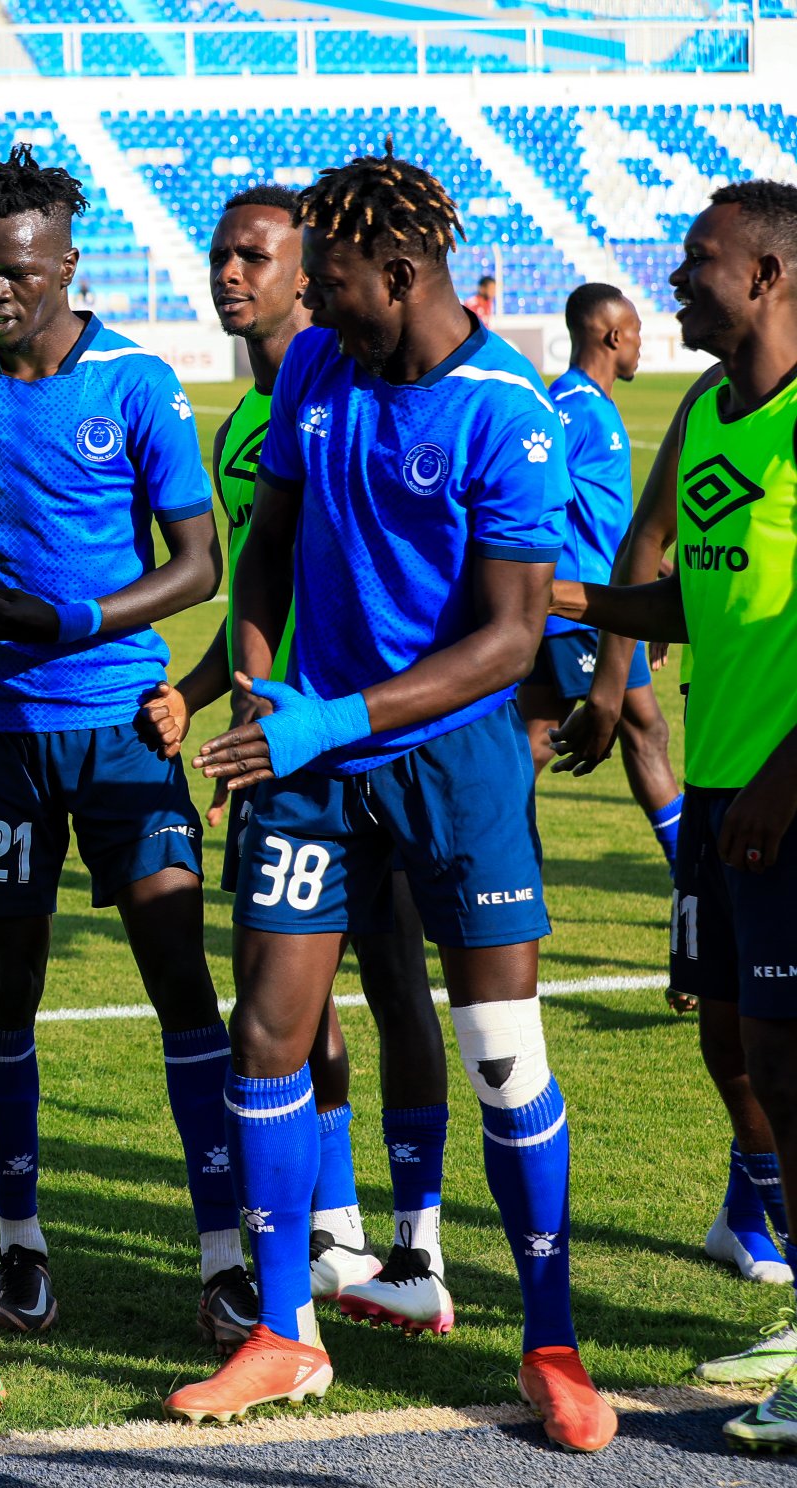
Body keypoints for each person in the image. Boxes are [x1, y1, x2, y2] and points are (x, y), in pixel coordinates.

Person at [167, 149, 616, 1453]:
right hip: (310, 762)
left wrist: (331, 718)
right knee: (269, 1034)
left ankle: (550, 1341)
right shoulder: (316, 370)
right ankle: (286, 1335)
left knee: (502, 1053)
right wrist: (261, 693)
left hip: (455, 761)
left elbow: (512, 636)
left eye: (337, 282)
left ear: (403, 274)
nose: (318, 305)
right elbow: (267, 548)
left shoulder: (506, 411)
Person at [0, 144, 238, 1344]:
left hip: (124, 726)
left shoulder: (136, 383)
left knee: (179, 973)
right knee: (8, 987)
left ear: (69, 266)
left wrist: (69, 620)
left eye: (19, 271)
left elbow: (200, 564)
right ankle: (21, 1246)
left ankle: (224, 1251)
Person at [139, 186, 451, 1336]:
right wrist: (216, 693)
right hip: (287, 749)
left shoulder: (365, 385)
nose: (236, 275)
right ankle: (333, 1226)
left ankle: (414, 1248)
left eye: (257, 257)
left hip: (383, 742)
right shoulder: (245, 430)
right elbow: (262, 576)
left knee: (399, 985)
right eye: (223, 253)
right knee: (291, 1009)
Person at [552, 179, 797, 1451]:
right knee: (736, 1045)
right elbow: (684, 596)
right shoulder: (705, 407)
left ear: (765, 275)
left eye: (697, 261)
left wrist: (782, 782)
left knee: (792, 1058)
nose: (673, 281)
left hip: (784, 794)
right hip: (720, 789)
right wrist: (580, 610)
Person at [517, 285, 682, 871]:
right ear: (613, 336)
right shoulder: (575, 408)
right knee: (644, 730)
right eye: (636, 332)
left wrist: (653, 574)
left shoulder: (588, 404)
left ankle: (484, 846)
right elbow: (531, 493)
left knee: (534, 736)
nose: (640, 344)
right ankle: (694, 869)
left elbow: (601, 515)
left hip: (586, 596)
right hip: (585, 604)